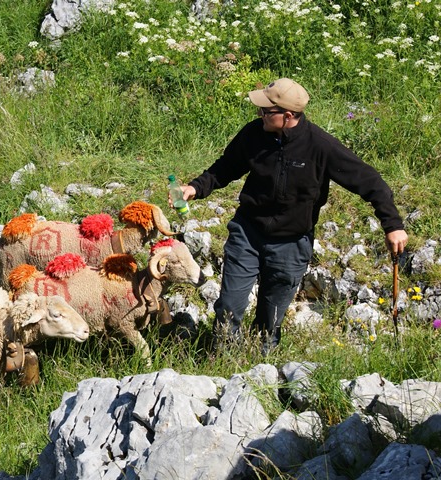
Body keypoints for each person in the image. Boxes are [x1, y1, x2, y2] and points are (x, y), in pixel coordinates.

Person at [174, 78, 408, 355]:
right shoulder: (253, 133)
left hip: (292, 243)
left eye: (265, 111)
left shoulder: (320, 146)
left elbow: (370, 181)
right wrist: (195, 187)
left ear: (287, 116)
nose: (259, 114)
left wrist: (392, 225)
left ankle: (261, 370)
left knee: (270, 320)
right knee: (228, 307)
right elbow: (226, 167)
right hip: (247, 233)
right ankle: (220, 364)